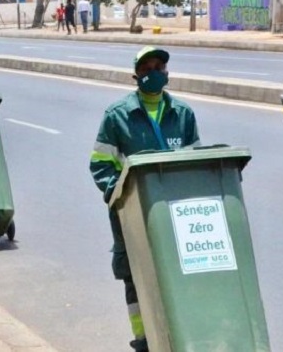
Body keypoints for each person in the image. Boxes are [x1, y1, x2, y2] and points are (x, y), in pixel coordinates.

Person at [89, 46, 200, 352]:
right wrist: (120, 195)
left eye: (159, 67)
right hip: (133, 216)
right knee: (135, 277)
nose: (153, 72)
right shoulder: (118, 116)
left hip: (175, 215)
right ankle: (143, 338)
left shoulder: (183, 115)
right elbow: (100, 163)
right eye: (146, 68)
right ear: (135, 75)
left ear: (167, 73)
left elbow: (195, 163)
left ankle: (178, 333)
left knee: (178, 273)